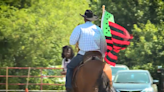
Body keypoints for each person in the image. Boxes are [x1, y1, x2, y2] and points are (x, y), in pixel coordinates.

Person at [65, 10, 107, 92]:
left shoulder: (79, 28)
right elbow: (104, 46)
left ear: (84, 19)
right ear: (92, 19)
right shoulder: (98, 29)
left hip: (83, 54)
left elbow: (71, 42)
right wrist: (102, 56)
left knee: (69, 67)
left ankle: (69, 88)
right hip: (97, 55)